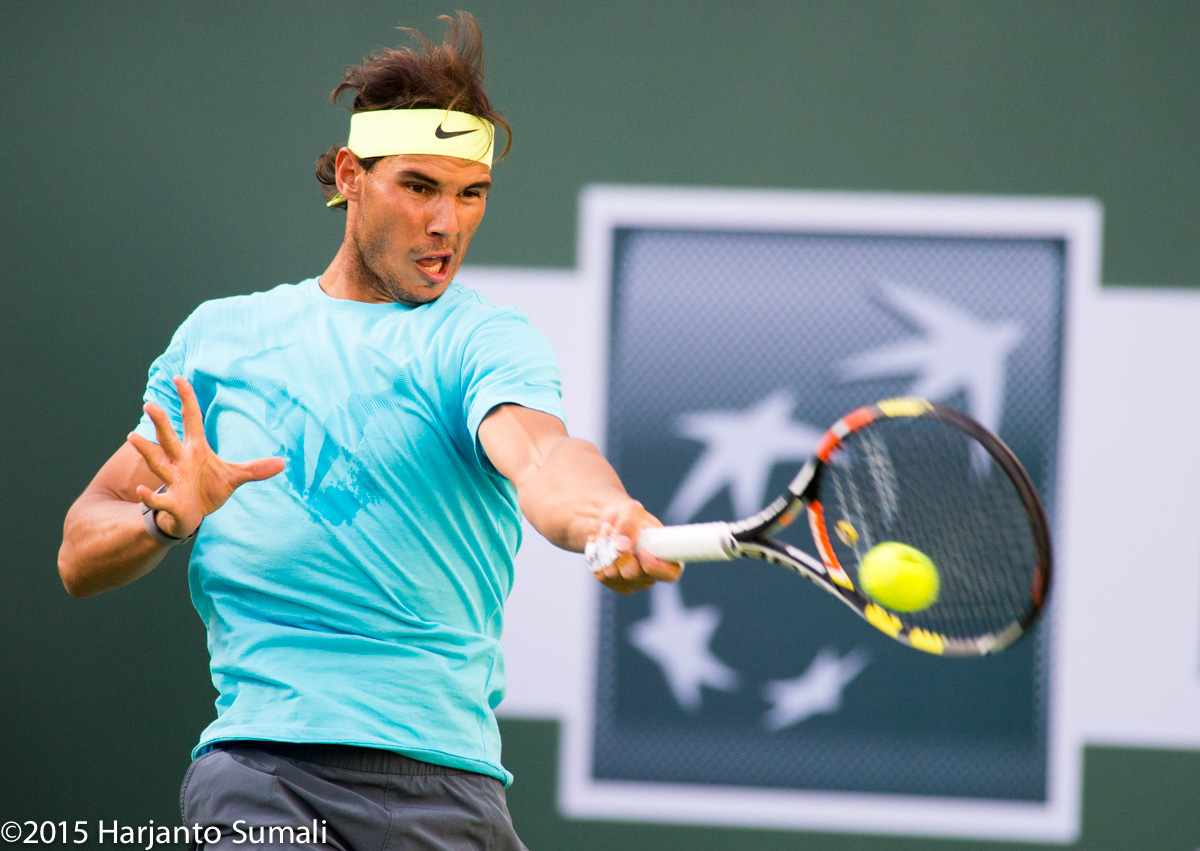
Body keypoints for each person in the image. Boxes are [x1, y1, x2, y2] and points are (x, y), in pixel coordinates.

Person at [57, 13, 676, 850]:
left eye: (471, 194)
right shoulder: (221, 338)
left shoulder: (481, 338)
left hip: (448, 781)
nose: (446, 224)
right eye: (418, 186)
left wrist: (604, 514)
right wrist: (165, 516)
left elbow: (541, 454)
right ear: (351, 175)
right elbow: (78, 555)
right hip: (260, 773)